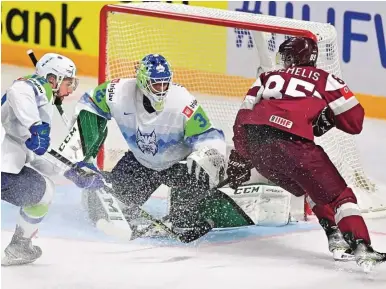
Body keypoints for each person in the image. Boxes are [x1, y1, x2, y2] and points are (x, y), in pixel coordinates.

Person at [226, 37, 386, 272]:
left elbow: (243, 117)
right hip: (294, 147)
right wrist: (331, 118)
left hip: (258, 150)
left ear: (293, 57)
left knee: (309, 187)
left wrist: (240, 156)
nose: (283, 61)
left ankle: (334, 234)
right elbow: (355, 121)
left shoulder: (267, 76)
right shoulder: (325, 78)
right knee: (340, 196)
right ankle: (362, 247)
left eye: (286, 56)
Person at [64, 54, 253, 240]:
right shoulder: (118, 92)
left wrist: (208, 152)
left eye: (165, 83)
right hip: (140, 163)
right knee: (110, 206)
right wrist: (83, 155)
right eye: (156, 84)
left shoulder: (182, 101)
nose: (162, 89)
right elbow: (89, 105)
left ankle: (192, 209)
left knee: (186, 216)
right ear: (143, 82)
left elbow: (208, 134)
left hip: (179, 166)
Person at [1, 53, 78, 265]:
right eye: (68, 83)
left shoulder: (41, 102)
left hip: (5, 168)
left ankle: (20, 247)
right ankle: (20, 246)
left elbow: (36, 154)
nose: (70, 90)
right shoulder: (35, 86)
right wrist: (36, 125)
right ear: (53, 79)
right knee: (45, 192)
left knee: (45, 189)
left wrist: (71, 172)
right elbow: (17, 90)